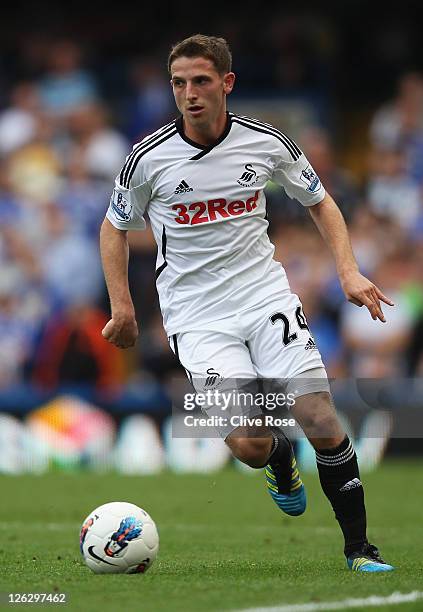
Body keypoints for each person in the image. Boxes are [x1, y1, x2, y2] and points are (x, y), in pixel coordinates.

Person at [100, 34, 395, 572]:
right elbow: (114, 228)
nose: (189, 94)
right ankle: (279, 460)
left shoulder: (267, 142)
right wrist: (123, 307)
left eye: (201, 81)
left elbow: (321, 202)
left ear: (227, 84)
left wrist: (348, 270)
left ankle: (360, 549)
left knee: (319, 415)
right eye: (179, 83)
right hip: (198, 318)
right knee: (251, 444)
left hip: (264, 298)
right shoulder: (147, 158)